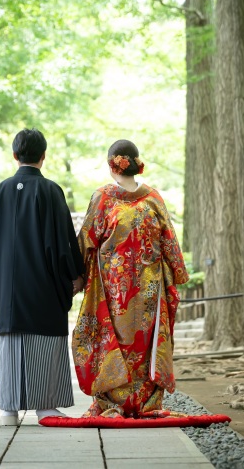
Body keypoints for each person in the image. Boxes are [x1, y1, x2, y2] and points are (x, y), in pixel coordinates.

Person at [0, 128, 85, 426]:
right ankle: (45, 408)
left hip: (9, 289)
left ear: (14, 156)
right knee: (46, 343)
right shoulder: (50, 191)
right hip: (45, 285)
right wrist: (75, 274)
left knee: (11, 346)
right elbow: (64, 241)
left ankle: (9, 410)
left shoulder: (0, 192)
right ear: (43, 156)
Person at [72, 139, 189, 418]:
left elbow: (86, 239)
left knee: (132, 340)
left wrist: (76, 275)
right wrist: (177, 274)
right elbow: (170, 240)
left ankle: (128, 402)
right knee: (133, 340)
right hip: (145, 285)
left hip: (119, 287)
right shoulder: (153, 198)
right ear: (135, 163)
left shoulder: (103, 198)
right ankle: (132, 402)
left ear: (112, 164)